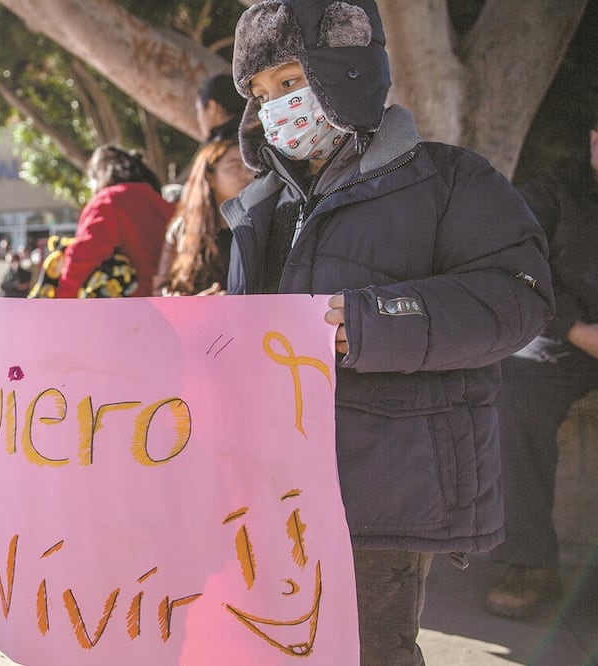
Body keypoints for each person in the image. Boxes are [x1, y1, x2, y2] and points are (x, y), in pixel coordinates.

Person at [226, 2, 553, 663]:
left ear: (342, 71)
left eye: (288, 83)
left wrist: (376, 320)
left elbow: (517, 298)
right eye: (259, 94)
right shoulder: (264, 208)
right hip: (274, 479)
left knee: (370, 647)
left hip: (389, 483)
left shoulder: (448, 179)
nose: (274, 107)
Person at [484, 114, 598, 619]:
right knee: (514, 387)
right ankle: (530, 564)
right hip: (565, 342)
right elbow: (513, 263)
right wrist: (577, 329)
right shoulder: (551, 193)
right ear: (595, 140)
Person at [55, 144, 173, 298]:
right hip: (169, 305)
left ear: (99, 175)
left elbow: (82, 257)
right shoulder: (159, 202)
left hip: (126, 311)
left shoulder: (109, 202)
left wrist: (60, 301)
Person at [154, 137, 255, 296]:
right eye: (235, 167)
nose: (248, 175)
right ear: (209, 176)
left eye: (250, 167)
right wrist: (196, 304)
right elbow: (161, 291)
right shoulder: (182, 229)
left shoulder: (261, 224)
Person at [196, 72, 246, 143]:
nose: (198, 119)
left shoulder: (225, 146)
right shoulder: (254, 129)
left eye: (198, 111)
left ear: (212, 107)